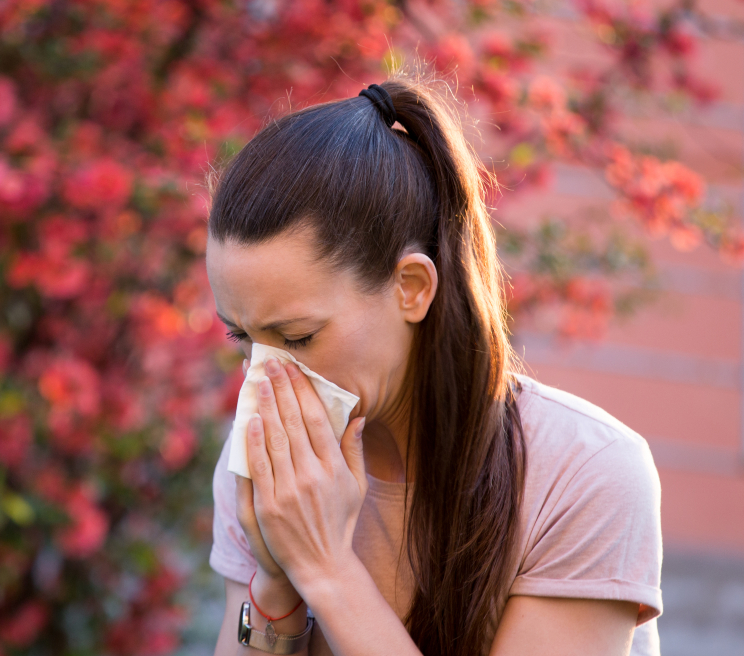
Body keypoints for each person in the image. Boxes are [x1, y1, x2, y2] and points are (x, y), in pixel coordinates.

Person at [203, 72, 663, 656]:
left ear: (412, 288)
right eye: (242, 336)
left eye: (298, 337)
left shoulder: (583, 473)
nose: (264, 377)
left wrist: (324, 567)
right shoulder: (272, 460)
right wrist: (275, 584)